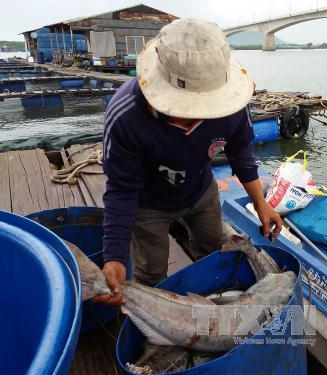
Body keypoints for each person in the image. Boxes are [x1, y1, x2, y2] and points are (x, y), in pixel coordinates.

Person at [94, 19, 283, 306]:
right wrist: (115, 256)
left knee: (213, 252)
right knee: (151, 272)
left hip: (201, 192)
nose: (198, 115)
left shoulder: (233, 104)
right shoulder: (126, 115)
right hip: (148, 205)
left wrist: (261, 203)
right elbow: (121, 189)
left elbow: (241, 152)